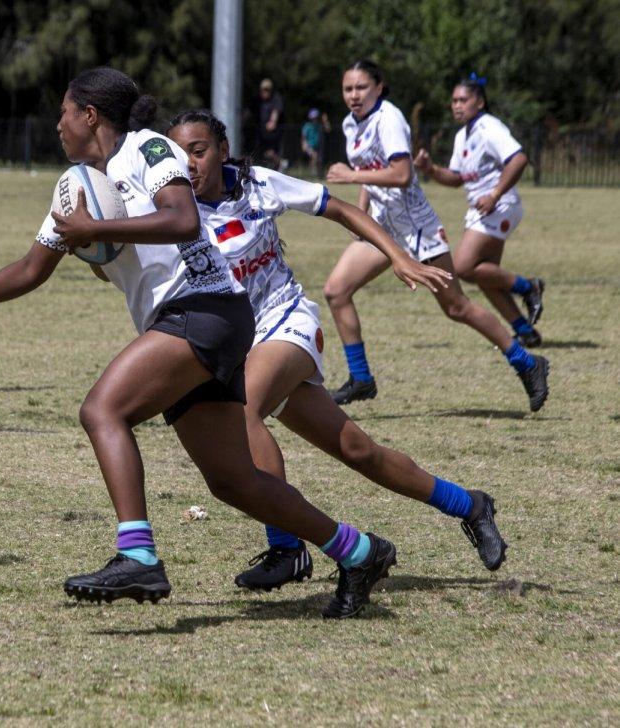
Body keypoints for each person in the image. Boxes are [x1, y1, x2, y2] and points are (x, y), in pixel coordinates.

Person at [0, 67, 398, 619]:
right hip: (186, 317)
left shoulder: (147, 148)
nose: (58, 124)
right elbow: (29, 268)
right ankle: (359, 551)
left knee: (102, 410)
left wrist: (99, 232)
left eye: (65, 112)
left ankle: (137, 554)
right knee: (234, 482)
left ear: (90, 115)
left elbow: (183, 220)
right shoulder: (79, 188)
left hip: (207, 305)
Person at [167, 109, 508, 592]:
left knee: (245, 410)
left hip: (288, 324)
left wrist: (399, 256)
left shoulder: (260, 184)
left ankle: (287, 548)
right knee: (359, 451)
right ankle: (469, 504)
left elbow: (343, 209)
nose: (189, 164)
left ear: (221, 149)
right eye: (179, 156)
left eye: (197, 151)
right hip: (244, 345)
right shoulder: (177, 210)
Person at [323, 60, 549, 411]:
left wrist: (350, 176)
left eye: (361, 87)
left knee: (457, 307)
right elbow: (369, 174)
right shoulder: (351, 123)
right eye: (348, 89)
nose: (354, 95)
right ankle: (361, 378)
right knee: (336, 291)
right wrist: (361, 217)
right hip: (384, 226)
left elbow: (400, 174)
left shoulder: (390, 119)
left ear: (379, 87)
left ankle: (526, 362)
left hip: (416, 228)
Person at [414, 74, 544, 347]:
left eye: (463, 99)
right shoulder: (464, 135)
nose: (456, 105)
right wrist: (431, 170)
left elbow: (519, 158)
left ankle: (528, 287)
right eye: (453, 101)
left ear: (480, 102)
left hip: (500, 205)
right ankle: (525, 331)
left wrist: (495, 194)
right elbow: (456, 178)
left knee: (463, 266)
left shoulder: (488, 127)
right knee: (485, 275)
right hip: (483, 210)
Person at [255, 78, 285, 171]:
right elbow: (250, 110)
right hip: (261, 132)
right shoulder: (258, 99)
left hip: (273, 133)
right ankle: (277, 166)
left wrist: (273, 121)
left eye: (267, 90)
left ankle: (281, 164)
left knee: (270, 152)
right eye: (263, 89)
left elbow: (276, 111)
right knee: (263, 153)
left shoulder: (276, 98)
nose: (265, 92)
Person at [300, 108, 330, 176]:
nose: (315, 119)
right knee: (314, 156)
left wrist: (325, 121)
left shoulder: (319, 125)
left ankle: (318, 174)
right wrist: (303, 145)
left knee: (319, 161)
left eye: (316, 118)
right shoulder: (307, 126)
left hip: (318, 147)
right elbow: (303, 137)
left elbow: (328, 129)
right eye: (313, 118)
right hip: (308, 146)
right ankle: (312, 172)